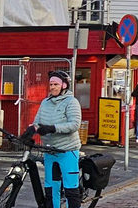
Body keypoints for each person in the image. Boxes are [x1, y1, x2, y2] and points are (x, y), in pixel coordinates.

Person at [23, 71, 82, 208]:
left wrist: (53, 128)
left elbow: (74, 124)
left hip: (67, 150)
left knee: (70, 188)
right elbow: (37, 122)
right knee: (51, 187)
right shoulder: (45, 102)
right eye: (50, 84)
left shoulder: (71, 102)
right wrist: (31, 130)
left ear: (64, 85)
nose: (52, 87)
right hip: (49, 150)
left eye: (56, 84)